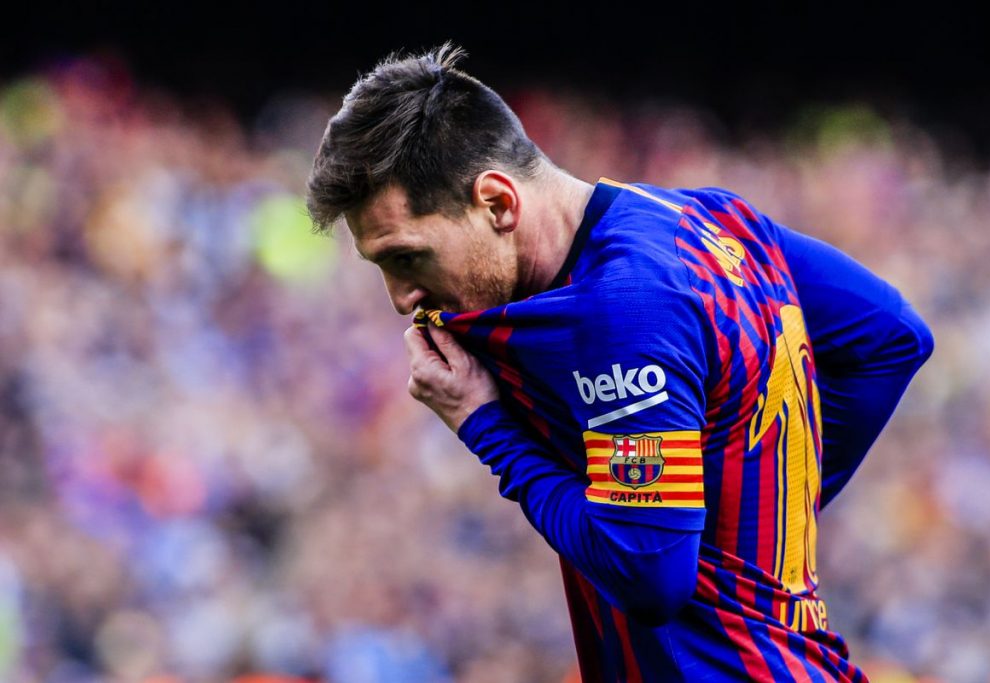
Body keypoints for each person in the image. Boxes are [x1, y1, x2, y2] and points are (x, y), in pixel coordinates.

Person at [306, 43, 934, 682]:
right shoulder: (706, 217)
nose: (401, 298)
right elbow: (889, 335)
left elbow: (648, 577)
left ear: (498, 203)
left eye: (407, 258)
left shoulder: (622, 308)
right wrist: (751, 518)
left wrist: (485, 426)